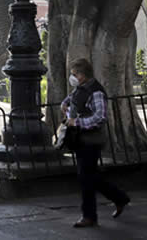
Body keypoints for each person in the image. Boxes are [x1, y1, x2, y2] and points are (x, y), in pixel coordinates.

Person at [61, 58, 130, 228]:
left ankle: (89, 216)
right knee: (90, 176)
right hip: (81, 138)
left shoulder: (96, 92)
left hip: (91, 140)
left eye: (74, 74)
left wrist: (76, 122)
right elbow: (73, 98)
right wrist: (65, 104)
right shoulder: (81, 88)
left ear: (83, 75)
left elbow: (100, 117)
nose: (72, 77)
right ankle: (119, 198)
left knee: (86, 177)